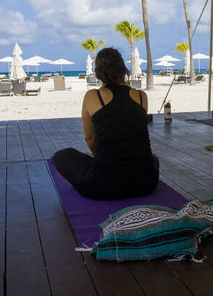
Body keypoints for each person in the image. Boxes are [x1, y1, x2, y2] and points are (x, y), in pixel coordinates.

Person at [52, 47, 159, 200]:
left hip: (101, 187)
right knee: (152, 158)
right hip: (146, 184)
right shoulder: (141, 96)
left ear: (99, 73)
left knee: (61, 156)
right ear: (123, 69)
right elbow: (131, 129)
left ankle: (82, 179)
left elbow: (89, 138)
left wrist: (99, 158)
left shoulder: (92, 96)